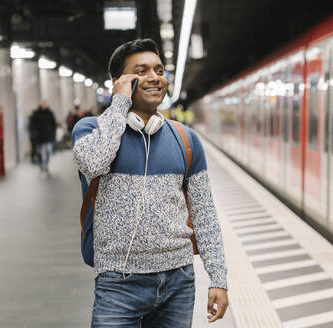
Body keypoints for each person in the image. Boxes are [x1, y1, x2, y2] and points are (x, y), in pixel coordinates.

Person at [71, 39, 228, 327]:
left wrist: (218, 278)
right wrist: (119, 103)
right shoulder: (90, 130)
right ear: (120, 81)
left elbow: (205, 215)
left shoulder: (186, 139)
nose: (154, 77)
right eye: (141, 72)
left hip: (178, 282)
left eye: (158, 70)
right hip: (118, 283)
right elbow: (95, 163)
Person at [30, 100, 56, 173]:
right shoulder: (36, 113)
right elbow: (32, 124)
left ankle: (46, 164)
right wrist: (34, 132)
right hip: (38, 137)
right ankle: (41, 163)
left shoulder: (50, 113)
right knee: (38, 151)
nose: (44, 105)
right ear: (41, 105)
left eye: (45, 104)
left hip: (48, 136)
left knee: (48, 151)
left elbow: (53, 124)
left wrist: (53, 133)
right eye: (43, 104)